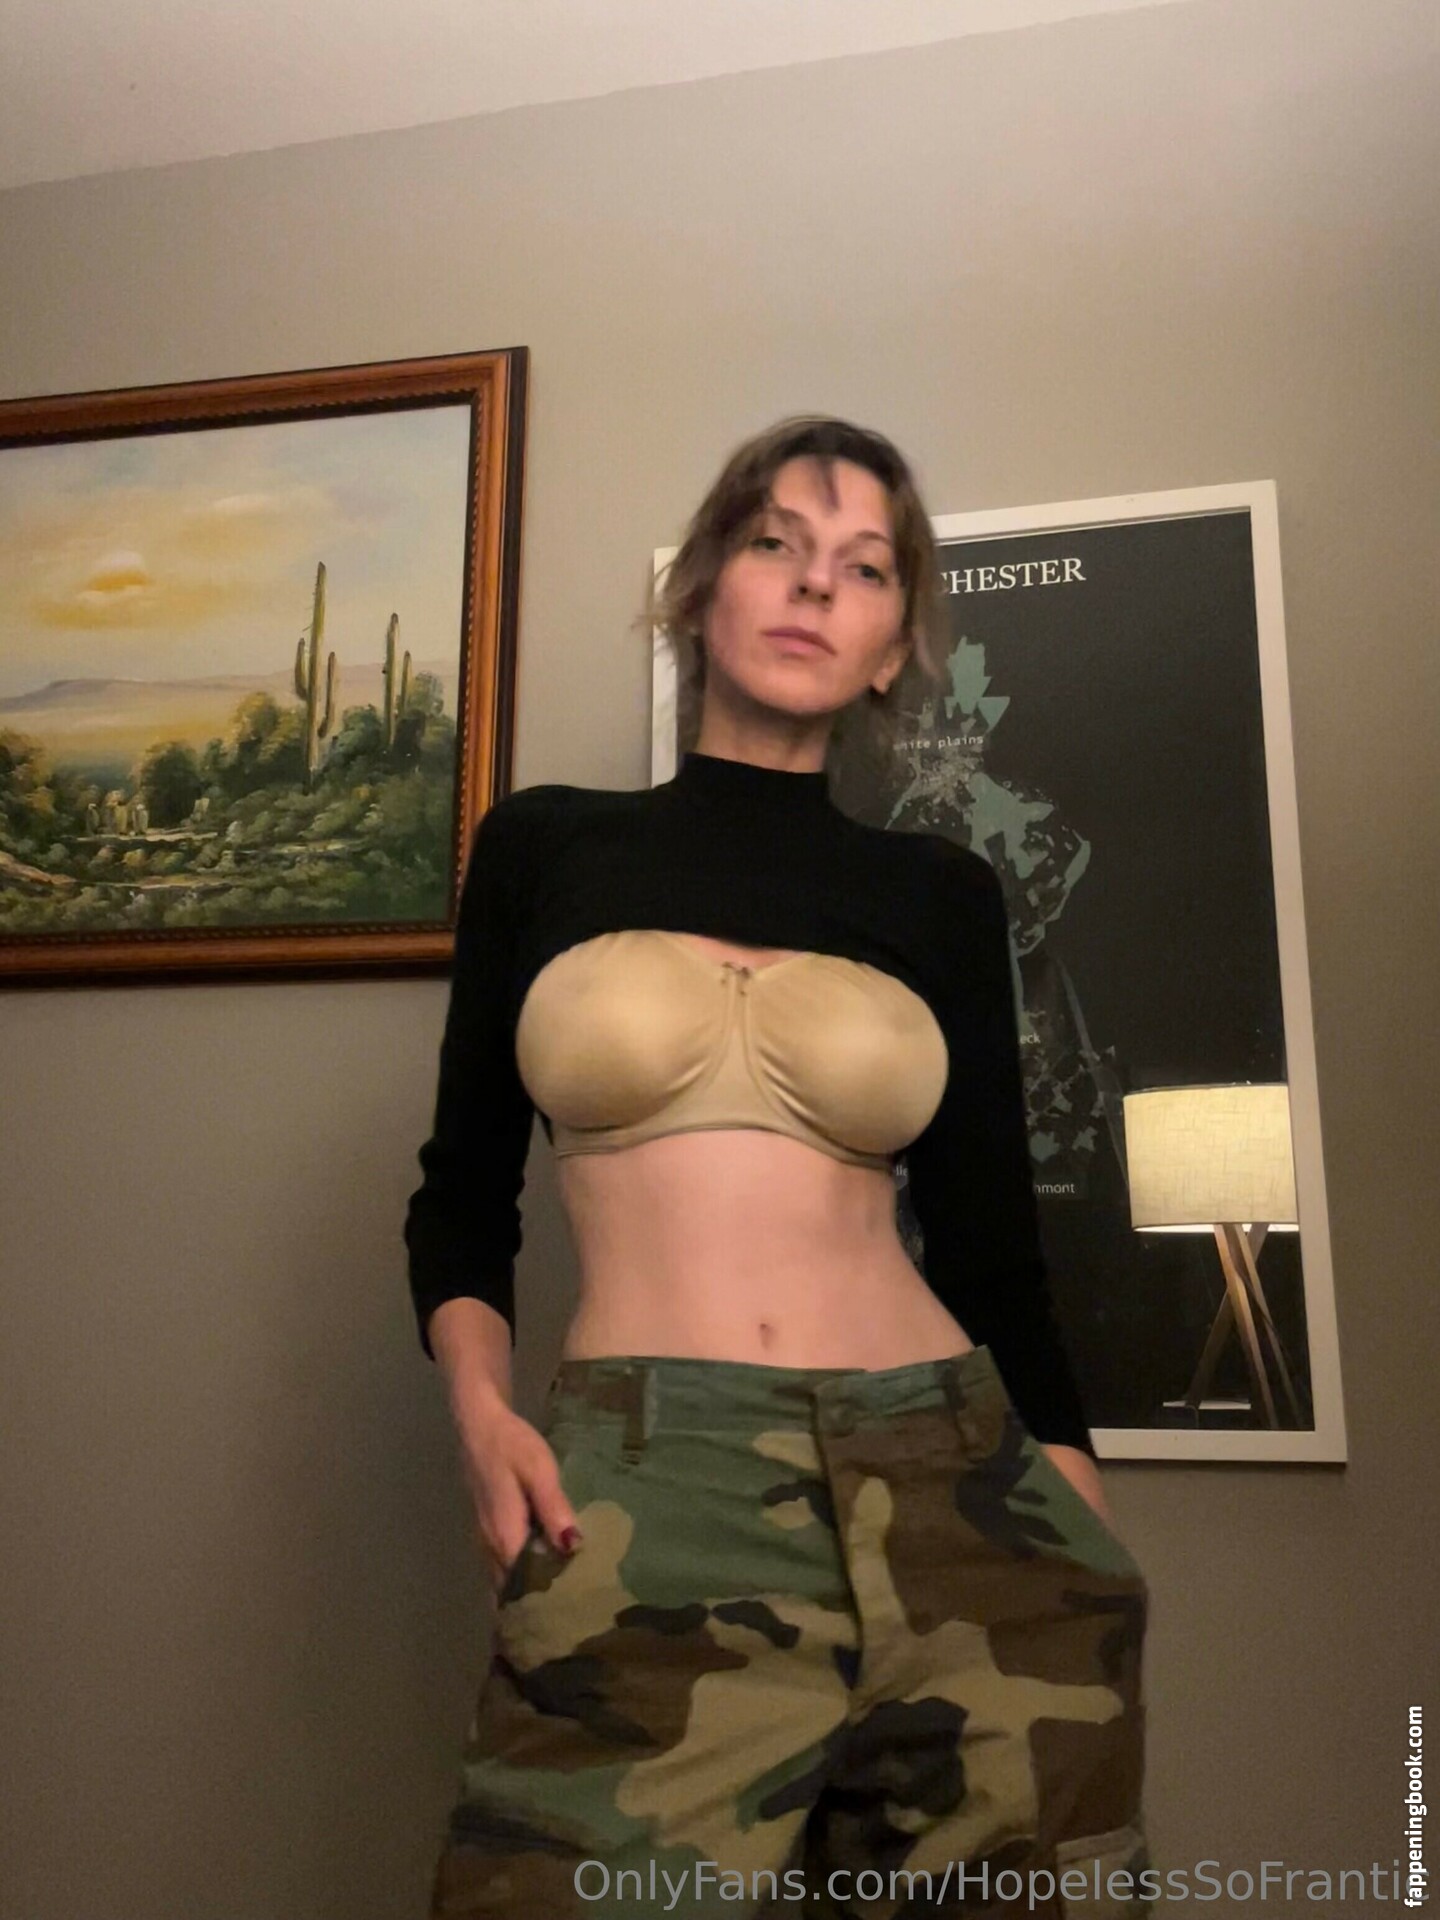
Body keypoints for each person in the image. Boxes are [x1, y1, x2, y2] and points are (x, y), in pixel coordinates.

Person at [404, 417, 1154, 1920]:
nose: (816, 586)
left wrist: (1075, 1516)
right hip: (645, 1485)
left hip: (957, 1482)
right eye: (776, 544)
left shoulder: (942, 894)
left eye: (864, 568)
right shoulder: (544, 847)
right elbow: (463, 1197)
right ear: (701, 590)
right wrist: (483, 1419)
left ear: (891, 650)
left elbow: (996, 1253)